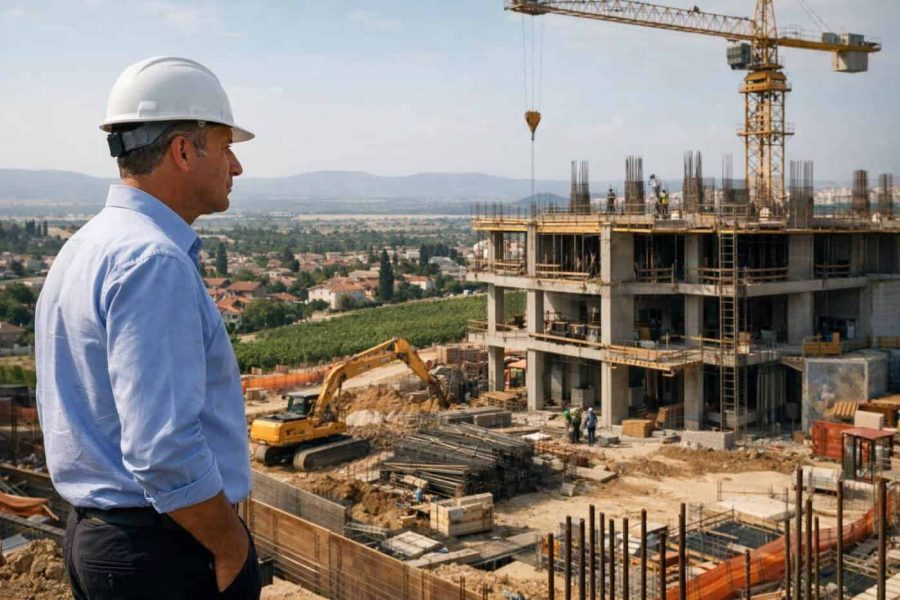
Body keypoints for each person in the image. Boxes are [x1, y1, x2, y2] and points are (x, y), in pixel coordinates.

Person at [35, 57, 260, 600]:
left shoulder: (87, 245)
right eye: (226, 146)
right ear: (184, 150)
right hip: (164, 550)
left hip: (105, 537)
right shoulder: (152, 260)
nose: (236, 167)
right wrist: (231, 547)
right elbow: (164, 450)